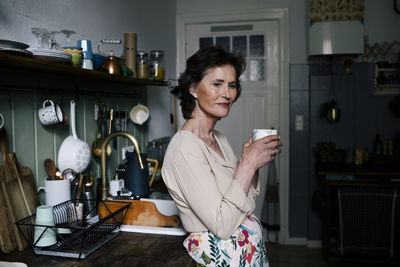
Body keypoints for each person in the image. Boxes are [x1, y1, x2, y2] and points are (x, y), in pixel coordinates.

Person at [162, 46, 282, 267]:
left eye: (232, 85)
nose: (227, 94)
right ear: (194, 89)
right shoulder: (185, 148)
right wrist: (247, 164)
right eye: (217, 84)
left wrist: (254, 160)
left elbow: (246, 199)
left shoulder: (219, 139)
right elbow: (223, 225)